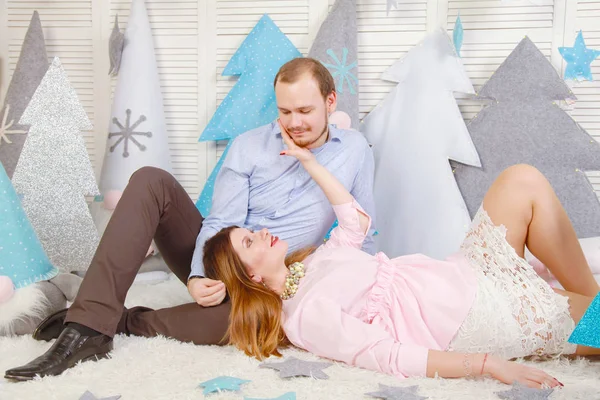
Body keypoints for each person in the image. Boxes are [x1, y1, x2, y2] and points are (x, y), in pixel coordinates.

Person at [4, 57, 377, 381]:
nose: (293, 122)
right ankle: (86, 327)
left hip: (277, 282)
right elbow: (220, 221)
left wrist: (368, 295)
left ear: (331, 102)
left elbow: (363, 227)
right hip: (223, 257)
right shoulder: (249, 146)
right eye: (285, 111)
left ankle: (120, 321)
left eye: (305, 111)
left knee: (251, 325)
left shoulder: (356, 150)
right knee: (151, 180)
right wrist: (199, 274)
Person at [202, 125, 600, 390]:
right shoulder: (306, 315)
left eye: (251, 231)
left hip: (467, 269)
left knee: (521, 179)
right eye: (250, 243)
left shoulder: (313, 262)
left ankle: (588, 301)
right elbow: (387, 355)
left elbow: (354, 221)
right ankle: (587, 312)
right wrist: (488, 364)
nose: (262, 233)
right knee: (597, 323)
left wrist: (310, 163)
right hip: (474, 312)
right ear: (250, 277)